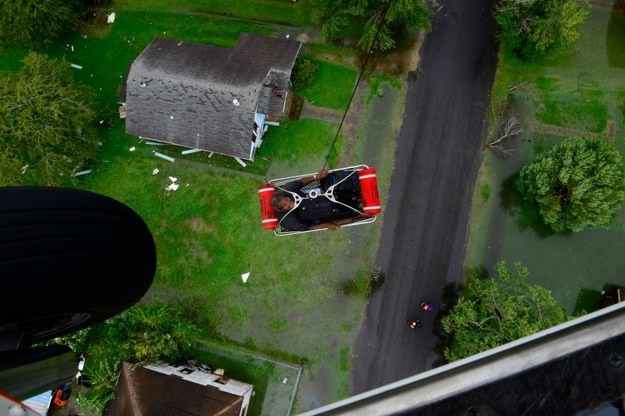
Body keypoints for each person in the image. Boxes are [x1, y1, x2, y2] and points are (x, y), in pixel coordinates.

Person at [270, 169, 363, 231]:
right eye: (285, 205)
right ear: (282, 210)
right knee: (332, 219)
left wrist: (316, 177)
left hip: (314, 193)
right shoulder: (290, 221)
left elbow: (301, 182)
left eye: (287, 199)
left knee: (329, 182)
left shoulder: (287, 189)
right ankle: (360, 214)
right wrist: (326, 225)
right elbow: (309, 227)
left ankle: (358, 181)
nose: (289, 203)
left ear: (285, 196)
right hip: (319, 214)